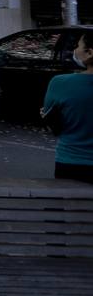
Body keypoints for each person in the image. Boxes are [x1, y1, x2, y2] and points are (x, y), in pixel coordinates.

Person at [42, 31, 93, 184]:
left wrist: (47, 117)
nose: (75, 50)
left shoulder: (60, 83)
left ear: (89, 53)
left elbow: (54, 127)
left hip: (73, 162)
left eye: (78, 45)